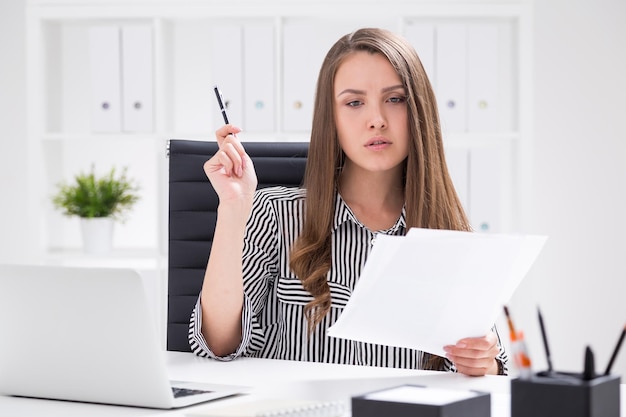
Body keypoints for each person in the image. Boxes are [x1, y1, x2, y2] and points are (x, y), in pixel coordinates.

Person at [189, 27, 508, 376]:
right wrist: (234, 208)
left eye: (396, 99)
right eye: (354, 103)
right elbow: (217, 344)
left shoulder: (448, 236)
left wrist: (483, 361)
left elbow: (481, 371)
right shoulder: (275, 214)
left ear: (419, 111)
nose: (377, 120)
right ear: (332, 119)